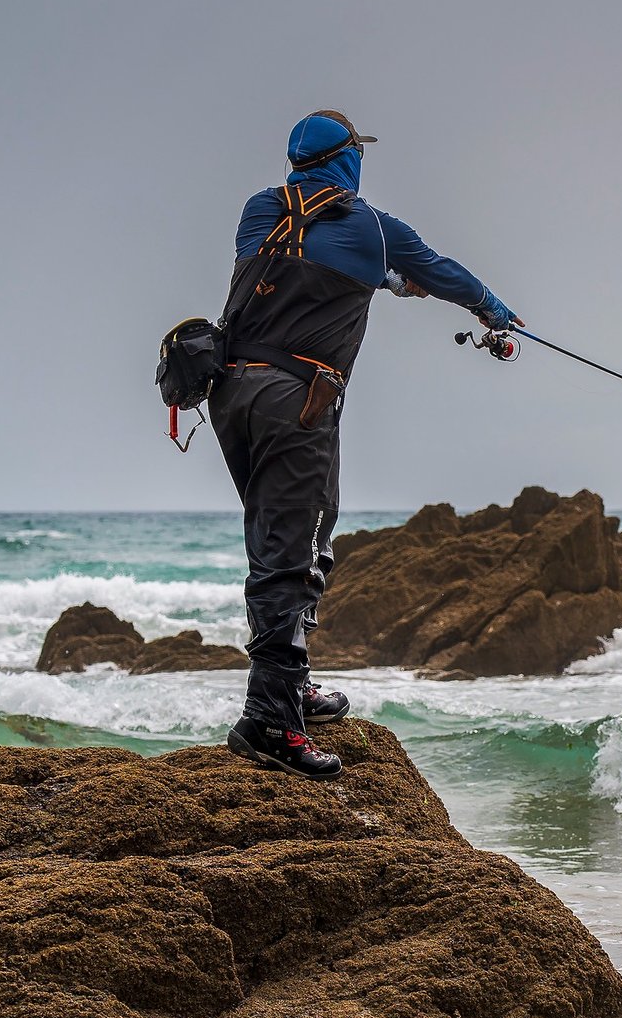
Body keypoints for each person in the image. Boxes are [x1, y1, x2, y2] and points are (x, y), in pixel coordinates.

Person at [211, 110, 522, 778]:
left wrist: (385, 279)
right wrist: (491, 309)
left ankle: (289, 688)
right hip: (297, 400)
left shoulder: (259, 210)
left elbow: (309, 264)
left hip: (232, 395)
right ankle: (269, 725)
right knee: (288, 559)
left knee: (296, 541)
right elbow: (439, 270)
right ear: (348, 157)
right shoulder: (375, 227)